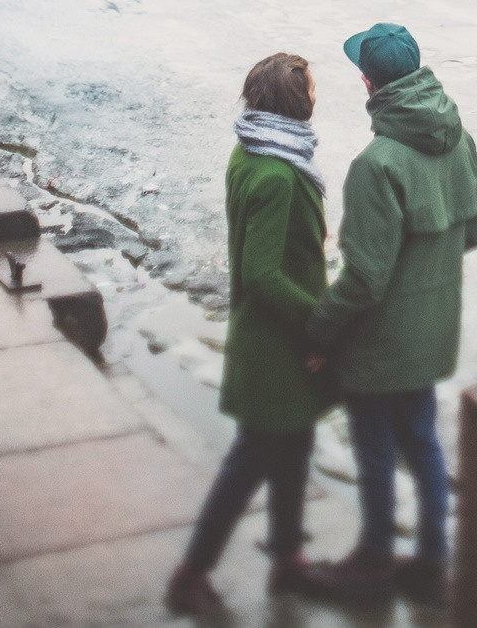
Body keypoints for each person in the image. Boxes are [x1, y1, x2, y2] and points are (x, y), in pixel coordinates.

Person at [308, 23, 477, 603]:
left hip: (380, 342)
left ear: (368, 82)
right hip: (433, 331)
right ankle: (432, 562)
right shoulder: (460, 139)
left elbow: (364, 279)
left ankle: (374, 560)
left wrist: (318, 329)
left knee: (376, 449)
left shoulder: (376, 164)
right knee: (423, 441)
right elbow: (476, 230)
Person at [165, 53, 336, 614]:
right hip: (276, 345)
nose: (316, 96)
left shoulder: (251, 151)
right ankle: (190, 575)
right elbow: (263, 274)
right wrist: (320, 324)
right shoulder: (278, 174)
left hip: (269, 338)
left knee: (296, 448)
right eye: (311, 89)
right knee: (249, 464)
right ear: (296, 103)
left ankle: (288, 560)